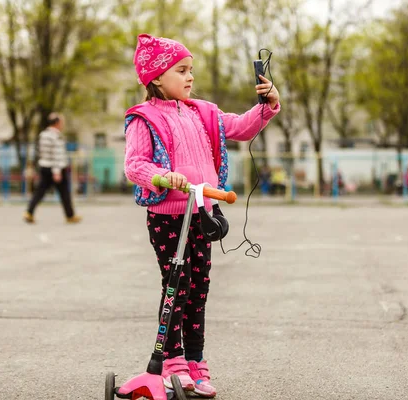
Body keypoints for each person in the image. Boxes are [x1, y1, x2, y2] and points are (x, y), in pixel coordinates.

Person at [123, 34, 280, 397]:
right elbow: (134, 165)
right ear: (157, 77)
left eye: (191, 70)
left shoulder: (202, 112)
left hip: (202, 212)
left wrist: (267, 106)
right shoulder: (143, 118)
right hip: (168, 216)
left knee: (199, 289)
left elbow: (240, 128)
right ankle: (173, 362)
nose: (190, 77)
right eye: (181, 70)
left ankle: (196, 362)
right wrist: (163, 177)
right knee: (178, 286)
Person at [23, 113, 81, 224]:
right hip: (57, 168)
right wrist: (57, 171)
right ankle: (70, 215)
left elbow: (41, 152)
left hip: (44, 166)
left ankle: (29, 212)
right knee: (64, 193)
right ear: (57, 123)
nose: (62, 125)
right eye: (61, 122)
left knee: (39, 191)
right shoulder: (56, 136)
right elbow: (57, 154)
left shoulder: (43, 135)